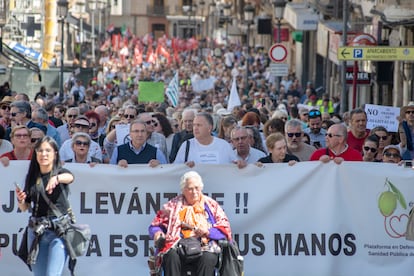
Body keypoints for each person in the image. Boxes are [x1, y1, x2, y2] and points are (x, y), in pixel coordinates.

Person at [148, 171, 232, 276]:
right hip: (178, 244)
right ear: (183, 190)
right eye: (190, 189)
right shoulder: (172, 206)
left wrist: (207, 232)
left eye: (197, 188)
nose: (194, 192)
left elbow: (224, 229)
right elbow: (154, 226)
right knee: (170, 256)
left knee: (208, 258)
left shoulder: (211, 205)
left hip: (204, 245)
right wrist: (157, 233)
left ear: (201, 188)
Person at [15, 136, 74, 276]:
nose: (44, 154)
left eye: (48, 150)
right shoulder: (32, 176)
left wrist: (57, 178)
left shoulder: (60, 172)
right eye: (40, 151)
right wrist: (21, 200)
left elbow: (70, 177)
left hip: (58, 230)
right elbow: (25, 207)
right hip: (37, 231)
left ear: (55, 153)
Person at [173, 112, 244, 168]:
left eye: (199, 125)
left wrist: (240, 164)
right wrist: (185, 167)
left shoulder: (224, 145)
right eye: (194, 125)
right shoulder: (186, 146)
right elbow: (176, 168)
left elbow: (235, 166)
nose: (195, 128)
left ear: (209, 128)